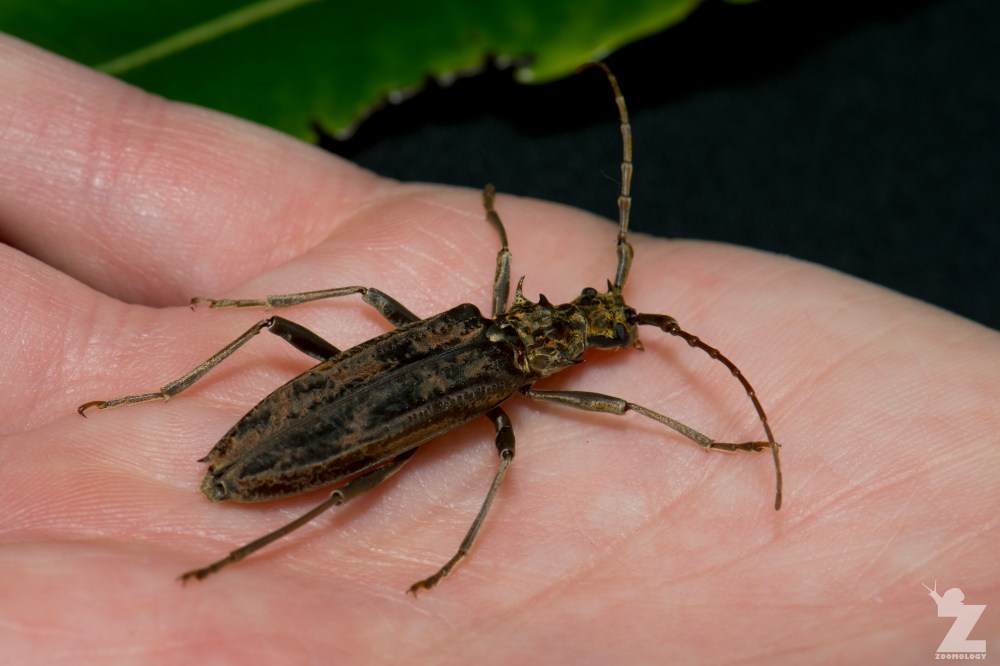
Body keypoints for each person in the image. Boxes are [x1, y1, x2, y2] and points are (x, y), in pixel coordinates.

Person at [1, 33, 996, 662]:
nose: (604, 328)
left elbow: (568, 370)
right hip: (287, 436)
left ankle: (236, 540)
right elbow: (475, 311)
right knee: (297, 344)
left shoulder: (492, 345)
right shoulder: (502, 370)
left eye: (609, 325)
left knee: (344, 435)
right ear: (560, 332)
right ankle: (163, 402)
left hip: (307, 447)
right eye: (605, 319)